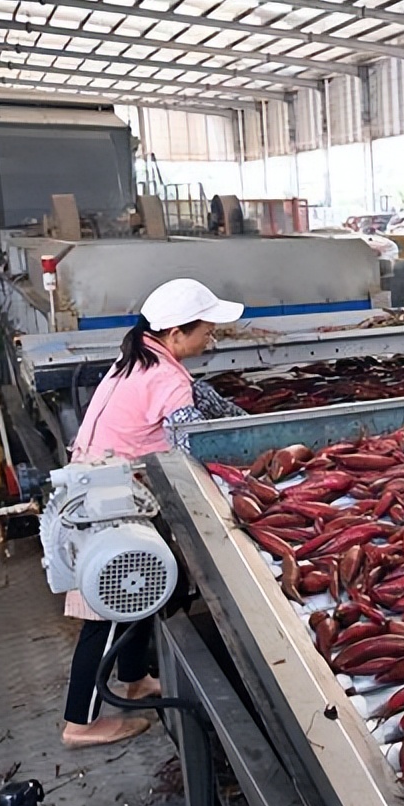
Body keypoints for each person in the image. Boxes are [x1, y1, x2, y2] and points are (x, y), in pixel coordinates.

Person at [61, 278, 248, 748]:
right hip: (106, 504)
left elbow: (199, 402)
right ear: (176, 334)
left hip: (102, 487)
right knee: (107, 612)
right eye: (206, 330)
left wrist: (240, 417)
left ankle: (135, 679)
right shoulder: (166, 377)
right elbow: (192, 449)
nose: (211, 338)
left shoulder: (140, 357)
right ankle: (79, 725)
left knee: (138, 589)